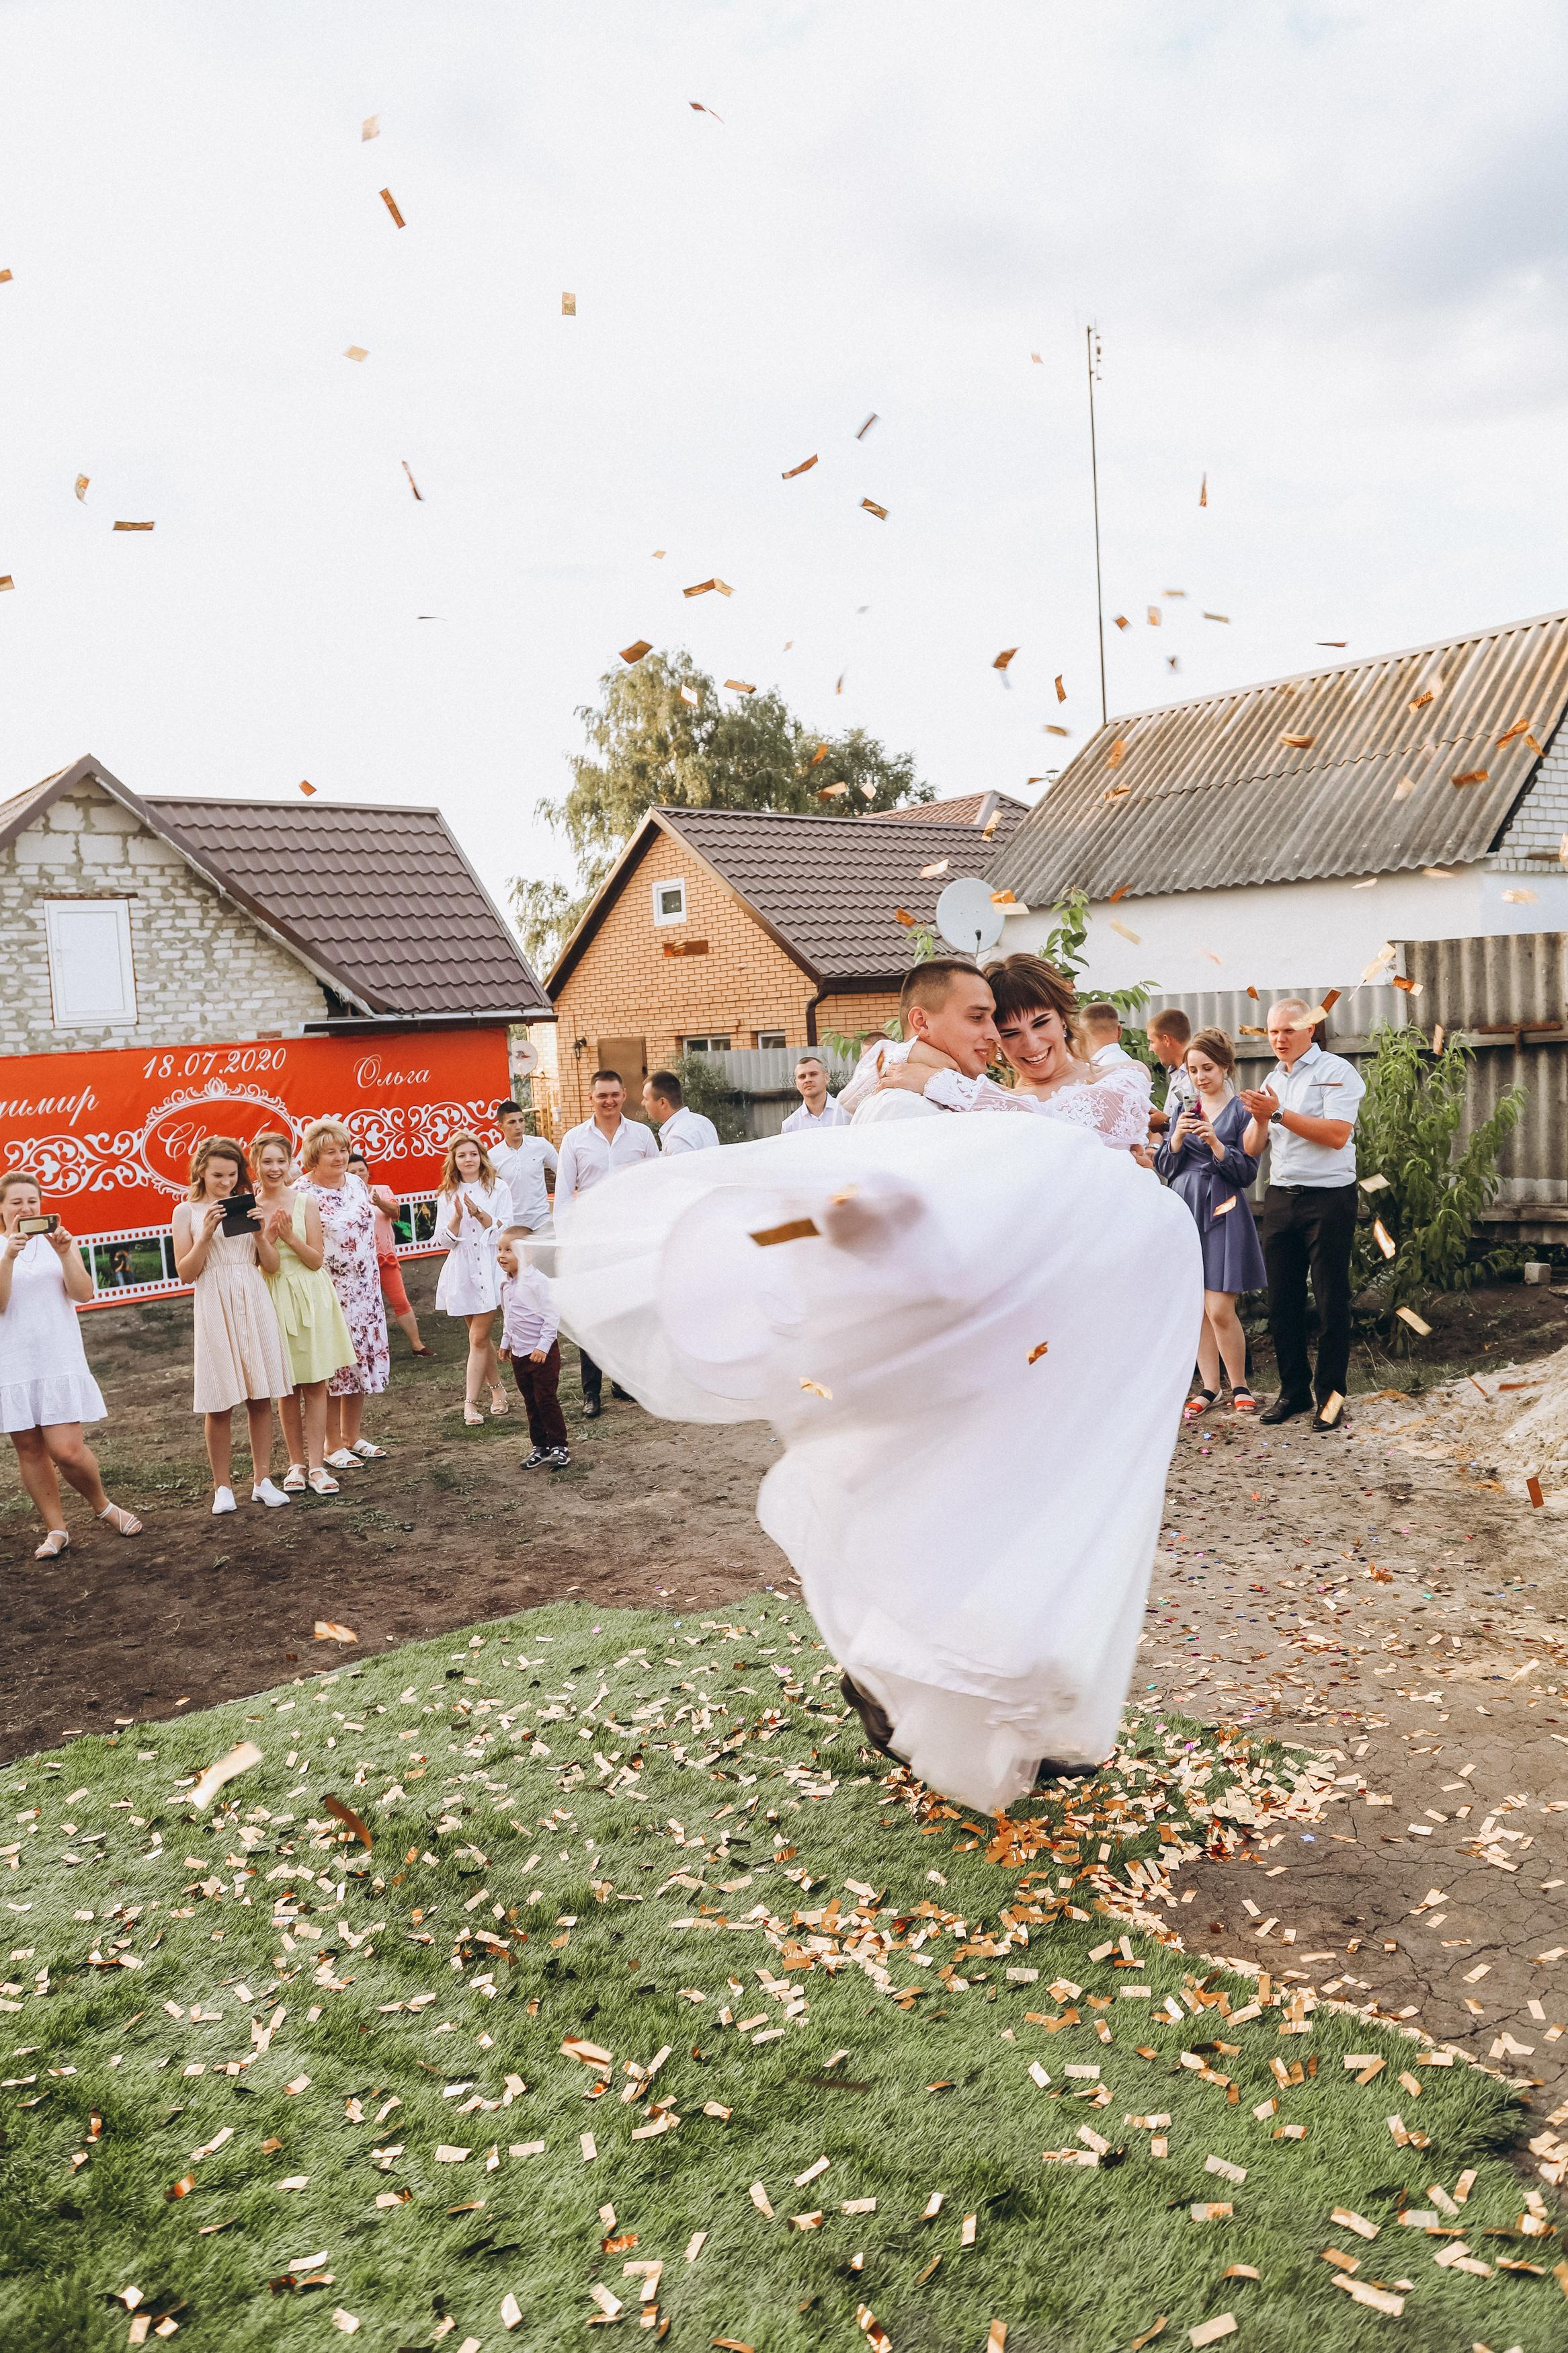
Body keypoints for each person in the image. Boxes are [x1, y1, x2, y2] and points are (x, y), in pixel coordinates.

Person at [548, 1106, 1201, 1813]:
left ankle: (1016, 1728)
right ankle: (903, 1694)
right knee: (922, 1550)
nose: (992, 1035)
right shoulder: (894, 1171)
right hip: (914, 1403)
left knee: (997, 1552)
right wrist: (752, 1252)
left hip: (971, 1391)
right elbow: (803, 1229)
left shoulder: (993, 1181)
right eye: (979, 1018)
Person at [851, 956, 1152, 1154]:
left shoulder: (1123, 1075)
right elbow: (856, 1094)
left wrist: (937, 1079)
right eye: (1011, 1033)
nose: (1031, 1044)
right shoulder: (987, 1099)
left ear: (1062, 1018)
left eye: (1040, 1023)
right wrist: (921, 1052)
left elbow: (1061, 1128)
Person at [0, 1168, 142, 1558]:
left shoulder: (57, 1243)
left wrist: (65, 1252)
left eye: (32, 1201)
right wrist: (9, 1255)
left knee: (66, 1450)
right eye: (16, 1202)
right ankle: (56, 1529)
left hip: (58, 1356)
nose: (25, 1208)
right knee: (29, 1449)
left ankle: (104, 1507)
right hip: (12, 1361)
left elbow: (83, 1293)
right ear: (1, 1208)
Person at [1239, 998, 1365, 1431]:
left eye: (1288, 1031)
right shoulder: (1273, 1078)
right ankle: (1292, 1392)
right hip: (1281, 1196)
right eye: (1273, 1032)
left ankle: (1330, 1400)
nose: (1278, 1039)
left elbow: (1336, 1135)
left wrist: (1276, 1112)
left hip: (1328, 1197)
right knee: (1282, 1303)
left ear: (1310, 1029)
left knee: (1331, 1301)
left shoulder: (1336, 1072)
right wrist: (1260, 1118)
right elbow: (1254, 1148)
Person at [171, 1136, 293, 1514]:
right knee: (219, 1401)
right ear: (201, 1173)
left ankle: (262, 1481)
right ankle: (222, 1488)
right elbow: (185, 1272)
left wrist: (261, 1232)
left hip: (252, 1295)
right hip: (213, 1299)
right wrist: (205, 1235)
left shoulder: (249, 1205)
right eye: (217, 1175)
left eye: (232, 1173)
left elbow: (270, 1266)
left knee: (260, 1396)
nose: (225, 1182)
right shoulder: (186, 1211)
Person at [1153, 1029, 1266, 1418]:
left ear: (1225, 1067)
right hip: (1184, 1208)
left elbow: (1247, 1171)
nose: (1200, 1077)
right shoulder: (1182, 1112)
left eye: (1208, 1068)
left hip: (1224, 1208)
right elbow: (1165, 1168)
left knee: (1218, 1307)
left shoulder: (1241, 1112)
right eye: (1193, 1070)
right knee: (1195, 1307)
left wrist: (1217, 1144)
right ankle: (1210, 1388)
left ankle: (1240, 1384)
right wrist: (1178, 1139)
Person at [254, 1130, 356, 1491]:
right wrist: (266, 1235)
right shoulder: (248, 1206)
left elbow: (316, 1260)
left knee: (315, 1383)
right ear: (256, 1164)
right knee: (286, 1386)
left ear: (290, 1163)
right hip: (271, 1296)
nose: (275, 1168)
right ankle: (295, 1464)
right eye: (267, 1161)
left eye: (281, 1161)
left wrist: (289, 1237)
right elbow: (253, 1263)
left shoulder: (305, 1202)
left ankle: (316, 1466)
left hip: (309, 1295)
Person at [554, 1070, 659, 1417]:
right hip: (591, 1240)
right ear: (591, 1098)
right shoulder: (574, 1139)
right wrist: (568, 1243)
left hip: (631, 1238)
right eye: (602, 1095)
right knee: (593, 1314)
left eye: (614, 1094)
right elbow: (565, 1196)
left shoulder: (642, 1135)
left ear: (624, 1094)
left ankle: (624, 1382)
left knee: (629, 1311)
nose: (609, 1101)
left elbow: (657, 1186)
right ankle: (591, 1392)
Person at [298, 1119, 390, 1468]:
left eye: (342, 1150)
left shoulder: (355, 1182)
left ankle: (352, 1436)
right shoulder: (302, 1192)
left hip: (366, 1289)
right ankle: (331, 1444)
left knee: (360, 1364)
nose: (339, 1158)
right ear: (314, 1156)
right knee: (335, 1366)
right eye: (330, 1152)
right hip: (330, 1291)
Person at [434, 1132, 511, 1424]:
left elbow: (506, 1225)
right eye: (462, 1155)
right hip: (462, 1268)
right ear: (454, 1160)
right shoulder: (446, 1193)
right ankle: (498, 1391)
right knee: (479, 1339)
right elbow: (444, 1241)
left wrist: (479, 1214)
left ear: (481, 1157)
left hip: (490, 1265)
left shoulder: (498, 1188)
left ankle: (470, 1403)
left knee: (478, 1337)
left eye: (473, 1154)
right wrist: (455, 1219)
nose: (469, 1160)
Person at [347, 1150, 430, 1358]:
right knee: (363, 1308)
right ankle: (365, 1351)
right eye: (353, 1172)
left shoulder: (382, 1190)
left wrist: (378, 1202)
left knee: (400, 1301)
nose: (358, 1174)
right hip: (358, 1263)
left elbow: (395, 1212)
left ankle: (417, 1345)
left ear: (368, 1172)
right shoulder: (343, 1195)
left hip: (384, 1256)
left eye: (361, 1170)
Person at [497, 1235, 570, 1468]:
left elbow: (552, 1315)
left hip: (541, 1355)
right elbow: (509, 1317)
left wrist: (543, 1346)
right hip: (520, 1354)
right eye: (499, 1249)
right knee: (530, 1400)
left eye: (509, 1250)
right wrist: (505, 1341)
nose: (501, 1255)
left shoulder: (538, 1281)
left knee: (545, 1399)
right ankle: (540, 1445)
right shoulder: (505, 1284)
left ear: (525, 1254)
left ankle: (560, 1445)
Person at [491, 1100, 557, 1240]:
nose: (518, 1126)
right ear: (500, 1126)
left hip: (542, 1222)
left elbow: (564, 1172)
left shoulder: (540, 1145)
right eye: (512, 1122)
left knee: (547, 1262)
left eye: (521, 1121)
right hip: (512, 1226)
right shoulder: (492, 1156)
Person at [1145, 1009, 1197, 1136]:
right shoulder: (1177, 1074)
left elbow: (1200, 1122)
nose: (1150, 1049)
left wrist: (1166, 1122)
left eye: (1152, 1042)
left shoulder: (1196, 1078)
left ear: (1166, 1040)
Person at [643, 1071, 719, 1154]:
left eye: (646, 1099)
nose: (642, 1103)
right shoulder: (703, 1121)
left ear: (662, 1103)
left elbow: (684, 1167)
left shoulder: (677, 1138)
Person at [781, 1053, 848, 1133]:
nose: (807, 1080)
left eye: (813, 1074)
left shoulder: (847, 1113)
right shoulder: (790, 1126)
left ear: (826, 1078)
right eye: (802, 1077)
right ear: (797, 1084)